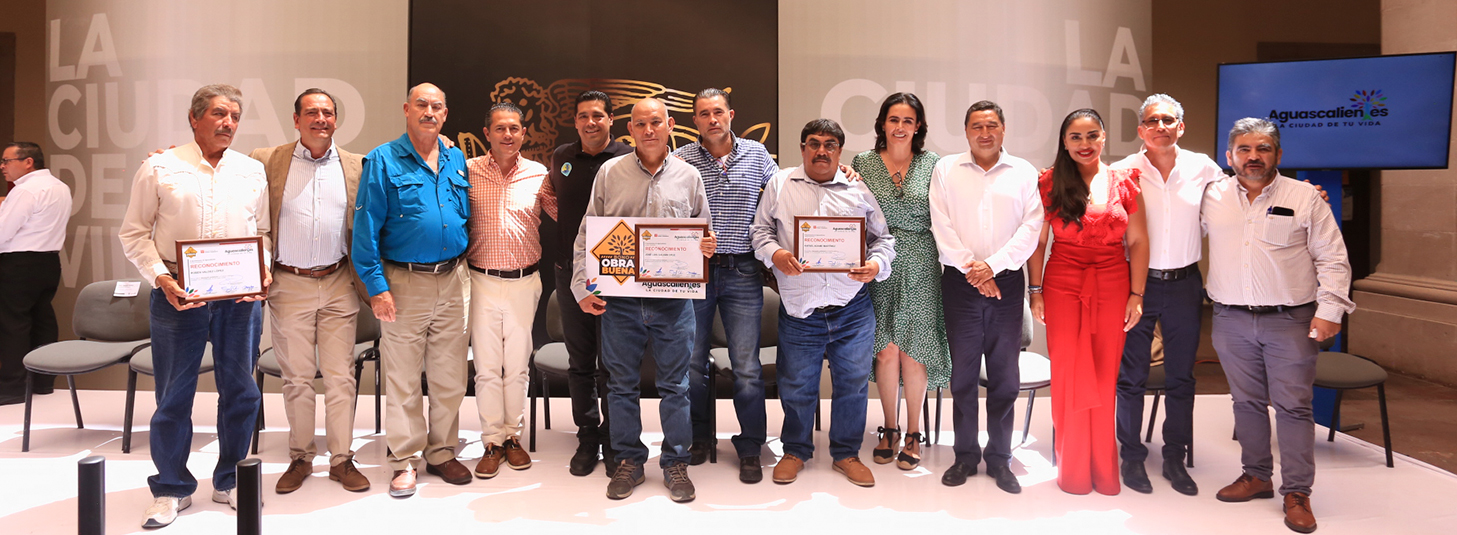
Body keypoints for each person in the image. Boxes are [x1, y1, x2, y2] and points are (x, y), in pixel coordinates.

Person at [119, 84, 271, 528]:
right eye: (219, 114)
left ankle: (231, 480)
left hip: (239, 298)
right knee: (173, 395)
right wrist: (161, 278)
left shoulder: (251, 170)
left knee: (241, 390)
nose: (228, 123)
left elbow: (262, 231)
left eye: (235, 116)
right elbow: (134, 232)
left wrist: (262, 269)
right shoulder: (160, 166)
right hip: (177, 294)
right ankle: (170, 488)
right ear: (194, 118)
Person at [1204, 117, 1353, 534]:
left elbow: (1333, 258)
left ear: (1278, 155)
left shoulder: (1305, 197)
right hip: (1230, 318)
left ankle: (1297, 492)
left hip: (1291, 320)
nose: (1253, 157)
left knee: (1293, 407)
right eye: (1244, 149)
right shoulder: (1211, 196)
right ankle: (1256, 476)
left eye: (1263, 149)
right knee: (1245, 403)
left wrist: (1330, 311)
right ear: (1230, 155)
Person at [571, 98, 715, 503]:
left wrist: (706, 246)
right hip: (620, 300)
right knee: (620, 386)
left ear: (671, 125)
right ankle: (628, 461)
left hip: (673, 302)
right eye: (640, 124)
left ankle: (675, 462)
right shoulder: (609, 173)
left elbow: (703, 232)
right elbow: (587, 233)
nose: (648, 130)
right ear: (629, 129)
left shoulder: (688, 176)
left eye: (656, 122)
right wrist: (582, 286)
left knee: (676, 385)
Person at [757, 119, 895, 488]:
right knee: (796, 385)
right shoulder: (780, 184)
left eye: (830, 144)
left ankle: (846, 454)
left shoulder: (856, 188)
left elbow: (883, 239)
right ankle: (795, 451)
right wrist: (776, 254)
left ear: (839, 151)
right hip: (800, 311)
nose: (822, 151)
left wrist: (875, 265)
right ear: (803, 148)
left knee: (852, 385)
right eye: (814, 143)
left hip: (851, 308)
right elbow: (760, 231)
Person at [352, 83, 472, 498]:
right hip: (402, 283)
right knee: (403, 378)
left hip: (454, 280)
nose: (429, 112)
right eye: (421, 104)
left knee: (450, 377)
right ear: (406, 109)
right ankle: (404, 460)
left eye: (437, 106)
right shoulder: (383, 159)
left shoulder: (456, 157)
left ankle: (441, 452)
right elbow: (365, 230)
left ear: (445, 114)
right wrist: (376, 288)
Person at [249, 89, 370, 494]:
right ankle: (301, 457)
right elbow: (225, 177)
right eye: (312, 112)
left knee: (340, 378)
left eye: (328, 112)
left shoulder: (356, 165)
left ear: (336, 119)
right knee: (297, 378)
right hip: (288, 283)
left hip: (338, 282)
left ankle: (341, 460)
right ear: (296, 119)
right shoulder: (265, 160)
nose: (321, 119)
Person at [1027, 108, 1149, 496]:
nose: (1085, 144)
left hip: (1113, 285)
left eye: (1092, 135)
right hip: (1063, 284)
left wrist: (1137, 294)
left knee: (1104, 373)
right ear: (1064, 142)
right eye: (1076, 137)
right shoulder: (1048, 182)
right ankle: (1074, 470)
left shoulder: (1125, 181)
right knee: (1068, 375)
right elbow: (1039, 242)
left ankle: (1103, 469)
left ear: (1104, 137)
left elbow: (1138, 241)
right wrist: (1035, 291)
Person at [1108, 94, 1223, 496]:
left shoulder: (1203, 167)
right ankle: (1131, 455)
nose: (1161, 126)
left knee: (1181, 376)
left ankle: (1175, 455)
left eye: (1168, 120)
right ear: (1141, 130)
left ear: (1181, 127)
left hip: (1185, 284)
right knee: (1131, 376)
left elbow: (1237, 204)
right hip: (1135, 285)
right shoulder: (1122, 171)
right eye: (1153, 121)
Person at [928, 100, 1042, 493]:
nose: (985, 133)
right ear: (966, 131)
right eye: (977, 126)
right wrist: (974, 271)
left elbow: (1031, 228)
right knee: (962, 376)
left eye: (992, 125)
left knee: (1005, 376)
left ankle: (999, 458)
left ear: (1003, 129)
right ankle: (964, 456)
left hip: (1006, 283)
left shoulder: (1023, 172)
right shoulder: (947, 169)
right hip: (959, 283)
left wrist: (992, 267)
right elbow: (940, 225)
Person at [672, 88, 774, 482]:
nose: (712, 119)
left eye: (718, 112)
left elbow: (786, 192)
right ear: (694, 121)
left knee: (746, 365)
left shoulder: (757, 154)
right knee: (692, 362)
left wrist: (843, 173)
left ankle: (750, 446)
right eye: (703, 114)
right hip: (694, 271)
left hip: (742, 270)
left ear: (731, 114)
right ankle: (699, 438)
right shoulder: (681, 158)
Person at [851, 92, 947, 472]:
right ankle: (889, 428)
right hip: (878, 262)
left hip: (921, 262)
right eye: (894, 119)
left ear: (918, 125)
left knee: (914, 350)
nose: (901, 127)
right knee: (886, 349)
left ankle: (913, 432)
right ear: (882, 123)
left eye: (908, 120)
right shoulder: (862, 163)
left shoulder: (933, 164)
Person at [541, 90, 634, 476]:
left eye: (598, 115)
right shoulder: (562, 156)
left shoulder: (627, 158)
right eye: (583, 116)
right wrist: (569, 227)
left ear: (611, 119)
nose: (590, 122)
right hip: (569, 272)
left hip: (614, 273)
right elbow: (550, 196)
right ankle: (587, 435)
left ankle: (614, 437)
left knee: (613, 362)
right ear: (575, 121)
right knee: (580, 361)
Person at [465, 101, 549, 479]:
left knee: (516, 368)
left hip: (524, 282)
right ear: (487, 133)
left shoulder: (539, 174)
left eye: (514, 128)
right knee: (485, 368)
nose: (508, 134)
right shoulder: (466, 171)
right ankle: (491, 441)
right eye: (500, 128)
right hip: (479, 280)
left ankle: (513, 436)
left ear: (524, 133)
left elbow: (565, 217)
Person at [0, 142, 72, 405]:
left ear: (28, 162)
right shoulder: (60, 187)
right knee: (42, 319)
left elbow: (3, 231)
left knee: (13, 323)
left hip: (19, 263)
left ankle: (12, 387)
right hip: (49, 261)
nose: (2, 167)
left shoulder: (25, 190)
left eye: (7, 161)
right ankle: (43, 381)